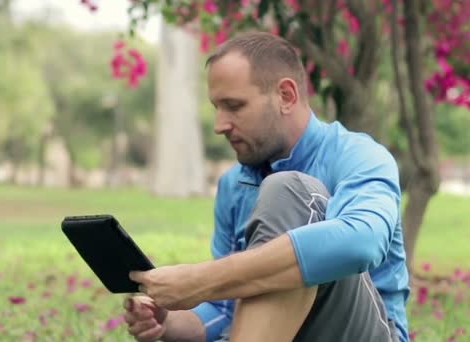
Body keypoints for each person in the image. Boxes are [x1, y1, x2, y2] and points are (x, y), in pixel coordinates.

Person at [124, 31, 410, 342]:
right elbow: (225, 310)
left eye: (234, 106)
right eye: (216, 107)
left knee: (287, 191)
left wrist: (202, 279)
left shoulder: (359, 156)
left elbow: (361, 242)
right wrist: (168, 322)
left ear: (286, 95)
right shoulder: (235, 184)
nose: (220, 125)